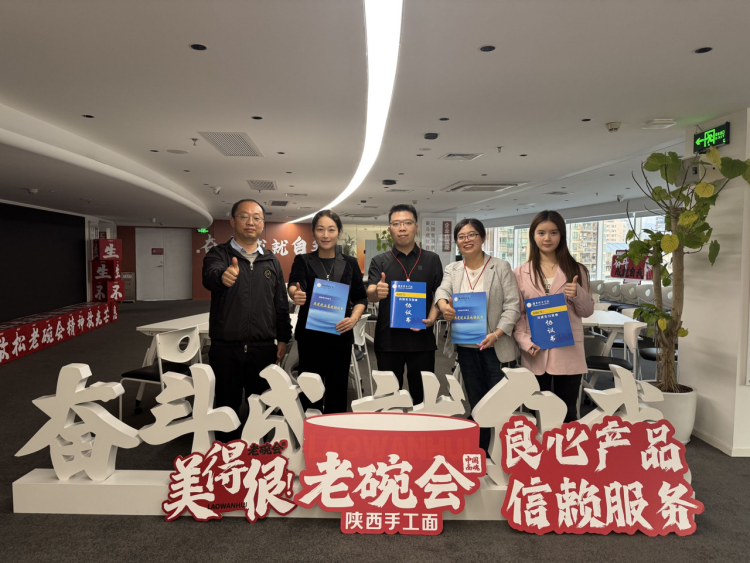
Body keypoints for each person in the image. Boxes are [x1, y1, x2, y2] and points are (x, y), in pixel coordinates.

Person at [202, 199, 292, 441]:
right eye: (244, 216)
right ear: (233, 221)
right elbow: (210, 276)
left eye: (256, 217)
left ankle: (259, 457)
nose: (250, 222)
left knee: (261, 410)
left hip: (263, 348)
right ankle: (226, 457)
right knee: (226, 411)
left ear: (262, 223)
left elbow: (280, 303)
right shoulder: (219, 254)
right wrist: (223, 277)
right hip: (226, 348)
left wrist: (283, 337)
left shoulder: (271, 260)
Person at [434, 218, 520, 451]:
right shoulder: (453, 269)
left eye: (472, 235)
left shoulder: (500, 267)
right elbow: (441, 291)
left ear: (483, 237)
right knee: (477, 400)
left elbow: (513, 306)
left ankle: (501, 451)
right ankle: (481, 451)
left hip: (495, 345)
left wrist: (497, 333)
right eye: (461, 236)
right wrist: (444, 306)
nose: (467, 240)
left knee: (499, 401)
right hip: (466, 347)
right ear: (456, 242)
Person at [513, 210, 594, 422]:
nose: (547, 238)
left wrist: (577, 294)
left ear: (561, 235)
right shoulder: (520, 272)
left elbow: (587, 311)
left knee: (566, 412)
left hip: (567, 351)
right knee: (534, 413)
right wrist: (524, 341)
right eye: (541, 233)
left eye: (553, 232)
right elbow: (518, 314)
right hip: (535, 349)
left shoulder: (577, 270)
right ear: (533, 236)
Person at [288, 210, 367, 413]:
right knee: (310, 391)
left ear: (338, 232)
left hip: (340, 335)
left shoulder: (350, 263)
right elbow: (295, 283)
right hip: (311, 338)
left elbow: (360, 298)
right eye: (320, 229)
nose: (326, 235)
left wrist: (354, 318)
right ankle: (311, 429)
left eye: (331, 230)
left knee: (337, 392)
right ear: (313, 232)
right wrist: (296, 294)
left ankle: (333, 430)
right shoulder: (303, 260)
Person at [366, 204, 443, 404]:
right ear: (389, 229)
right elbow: (371, 294)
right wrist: (376, 292)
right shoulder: (379, 261)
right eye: (396, 224)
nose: (402, 228)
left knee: (423, 399)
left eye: (407, 223)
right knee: (389, 400)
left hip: (422, 340)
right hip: (388, 341)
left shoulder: (432, 260)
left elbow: (440, 295)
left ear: (416, 227)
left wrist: (432, 319)